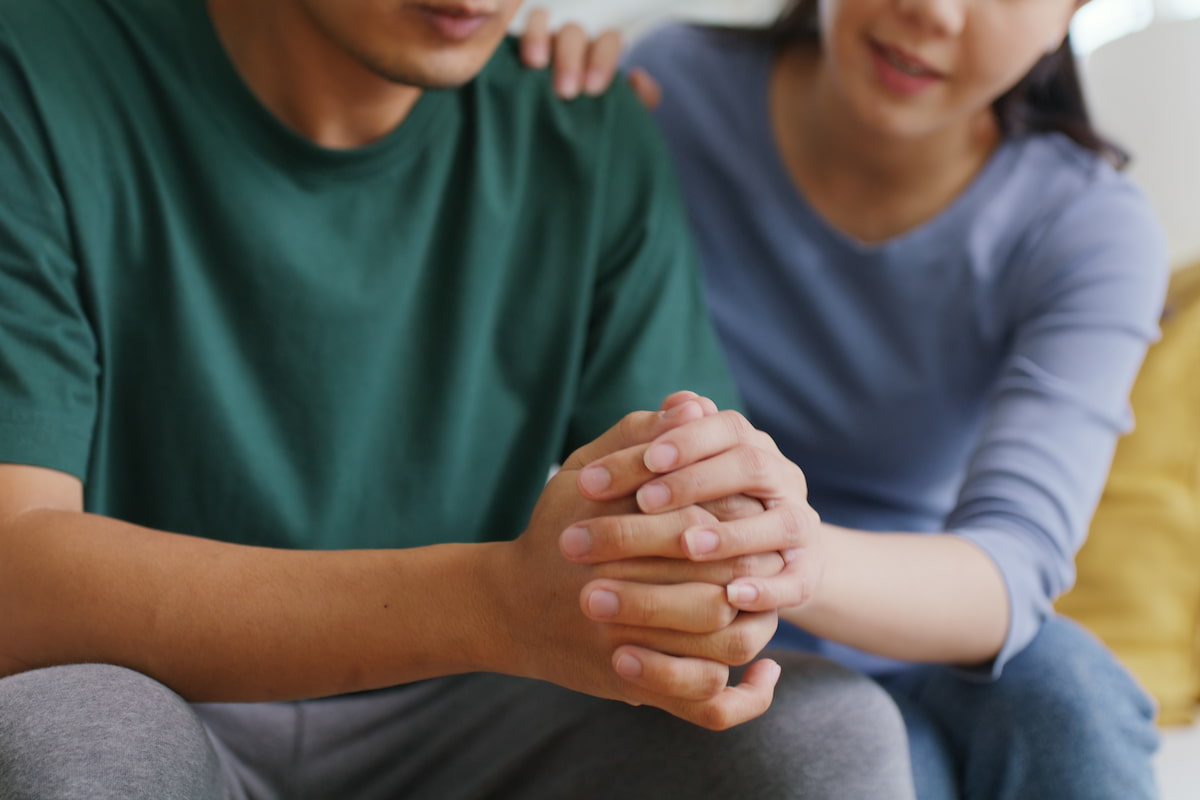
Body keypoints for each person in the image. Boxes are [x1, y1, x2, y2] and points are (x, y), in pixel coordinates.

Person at [0, 0, 924, 798]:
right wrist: (496, 605)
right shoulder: (38, 68)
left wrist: (723, 562)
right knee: (72, 733)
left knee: (825, 730)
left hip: (477, 710)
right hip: (155, 692)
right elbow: (16, 576)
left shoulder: (582, 128)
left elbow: (688, 542)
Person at [522, 0, 1169, 797]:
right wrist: (526, 95)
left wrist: (786, 551)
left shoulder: (1085, 226)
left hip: (917, 616)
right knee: (867, 754)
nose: (930, 10)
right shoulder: (673, 90)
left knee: (1071, 697)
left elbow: (1013, 569)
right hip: (699, 614)